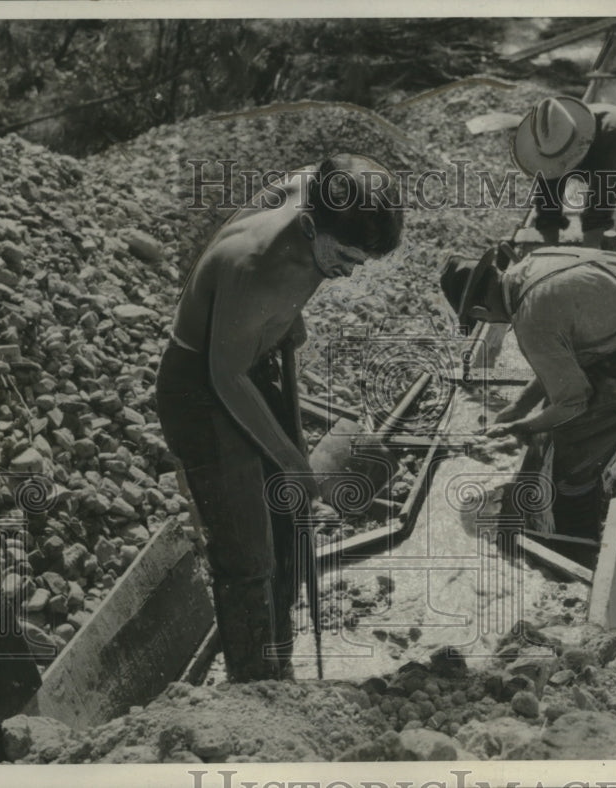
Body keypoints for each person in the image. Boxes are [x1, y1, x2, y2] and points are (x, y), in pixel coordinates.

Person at [156, 154, 403, 681]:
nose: (349, 270)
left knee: (290, 522)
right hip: (201, 387)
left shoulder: (316, 190)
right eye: (343, 257)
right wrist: (292, 460)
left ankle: (281, 654)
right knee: (248, 554)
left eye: (361, 261)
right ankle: (255, 685)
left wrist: (284, 318)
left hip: (246, 354)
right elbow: (225, 378)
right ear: (311, 226)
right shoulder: (257, 265)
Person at [440, 245, 616, 561]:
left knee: (575, 443)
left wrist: (525, 427)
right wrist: (520, 406)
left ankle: (575, 551)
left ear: (481, 313)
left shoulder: (530, 316)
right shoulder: (535, 263)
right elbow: (569, 354)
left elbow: (573, 401)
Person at [511, 95, 616, 264]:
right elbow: (547, 201)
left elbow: (598, 209)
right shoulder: (551, 138)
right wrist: (551, 252)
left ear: (578, 144)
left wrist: (587, 262)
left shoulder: (610, 137)